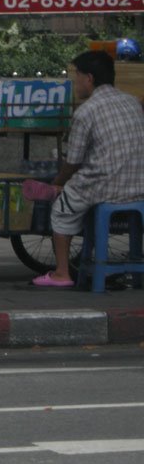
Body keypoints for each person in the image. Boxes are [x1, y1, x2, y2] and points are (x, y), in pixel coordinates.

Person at [25, 50, 144, 287]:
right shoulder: (132, 102)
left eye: (76, 76)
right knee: (77, 187)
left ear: (88, 78)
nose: (75, 81)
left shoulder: (86, 112)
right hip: (139, 185)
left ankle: (61, 273)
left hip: (105, 187)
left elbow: (74, 161)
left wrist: (58, 182)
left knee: (61, 208)